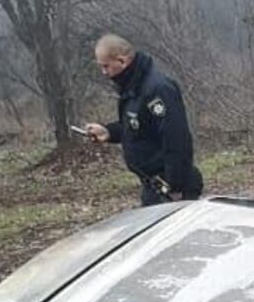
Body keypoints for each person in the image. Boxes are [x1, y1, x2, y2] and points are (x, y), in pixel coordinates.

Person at [82, 34, 202, 207]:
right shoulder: (133, 89)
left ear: (121, 61)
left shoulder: (158, 89)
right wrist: (108, 132)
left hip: (172, 187)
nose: (104, 73)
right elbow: (137, 125)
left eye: (106, 66)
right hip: (152, 185)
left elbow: (176, 139)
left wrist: (174, 186)